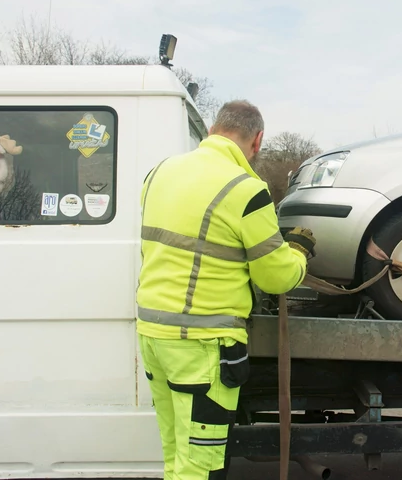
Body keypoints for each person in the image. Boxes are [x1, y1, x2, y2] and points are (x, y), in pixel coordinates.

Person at [135, 99, 316, 480]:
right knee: (200, 468)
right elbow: (276, 277)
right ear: (257, 141)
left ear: (215, 129)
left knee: (175, 456)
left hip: (153, 337)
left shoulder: (159, 173)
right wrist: (298, 251)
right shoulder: (246, 190)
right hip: (202, 346)